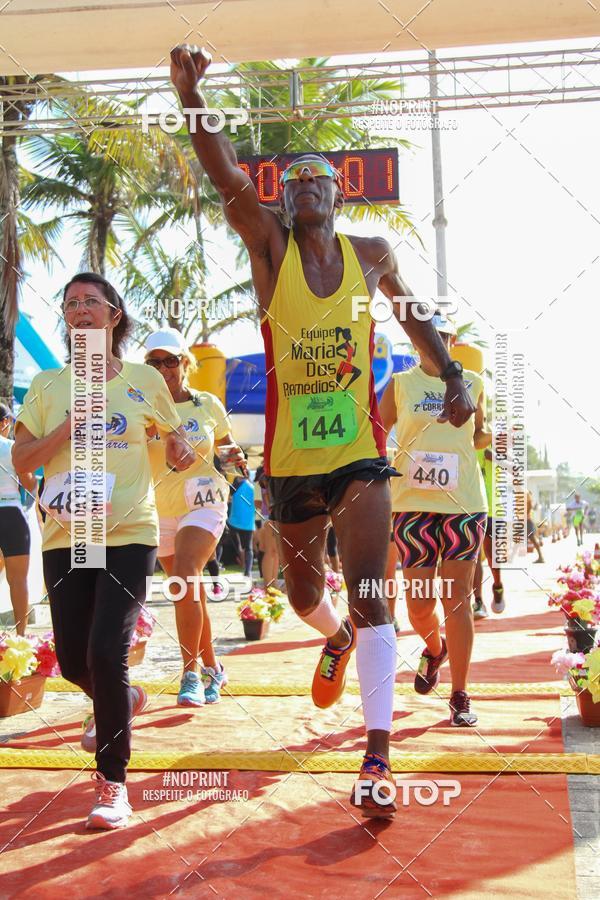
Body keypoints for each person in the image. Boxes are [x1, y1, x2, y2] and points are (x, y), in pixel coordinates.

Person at [170, 44, 476, 817]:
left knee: (375, 588)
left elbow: (413, 318)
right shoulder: (266, 245)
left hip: (360, 456)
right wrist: (193, 96)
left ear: (337, 196)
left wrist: (453, 375)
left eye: (319, 177)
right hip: (289, 460)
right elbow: (225, 174)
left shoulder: (370, 253)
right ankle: (333, 636)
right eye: (295, 177)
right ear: (287, 196)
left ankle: (377, 759)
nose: (306, 184)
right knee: (306, 590)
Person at [12, 273, 195, 830]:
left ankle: (113, 783)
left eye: (93, 302)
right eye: (72, 304)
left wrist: (179, 446)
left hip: (127, 532)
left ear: (114, 315)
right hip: (68, 534)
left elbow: (173, 436)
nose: (82, 310)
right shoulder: (46, 384)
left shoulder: (143, 378)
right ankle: (125, 695)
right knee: (73, 660)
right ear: (66, 319)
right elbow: (22, 461)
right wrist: (68, 427)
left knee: (106, 651)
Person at [380, 312, 489, 727]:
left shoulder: (474, 383)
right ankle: (434, 647)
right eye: (428, 336)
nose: (435, 342)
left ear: (452, 339)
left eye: (442, 336)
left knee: (457, 596)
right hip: (412, 504)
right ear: (414, 339)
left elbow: (477, 433)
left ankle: (460, 694)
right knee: (419, 604)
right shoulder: (401, 384)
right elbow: (377, 427)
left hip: (462, 503)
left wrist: (488, 437)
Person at [145, 328, 245, 706]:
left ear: (185, 363)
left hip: (205, 501)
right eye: (154, 362)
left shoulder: (208, 405)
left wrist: (234, 459)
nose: (163, 368)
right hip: (160, 507)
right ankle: (213, 668)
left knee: (187, 574)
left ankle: (188, 674)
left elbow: (228, 450)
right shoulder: (142, 407)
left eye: (171, 360)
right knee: (186, 590)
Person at [0, 404, 36, 635]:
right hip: (11, 512)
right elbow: (29, 484)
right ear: (4, 423)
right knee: (18, 579)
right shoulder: (13, 448)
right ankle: (20, 636)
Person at [472, 447, 505, 618]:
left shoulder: (487, 443)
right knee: (474, 556)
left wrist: (493, 455)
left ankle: (497, 586)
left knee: (492, 556)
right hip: (470, 508)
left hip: (493, 510)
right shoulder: (460, 439)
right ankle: (478, 601)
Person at [255, 464, 281, 587]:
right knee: (270, 551)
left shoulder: (273, 476)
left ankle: (273, 582)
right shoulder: (266, 478)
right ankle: (268, 583)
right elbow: (265, 499)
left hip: (275, 517)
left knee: (274, 552)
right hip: (269, 517)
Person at [228, 471, 256, 580]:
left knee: (238, 544)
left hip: (234, 521)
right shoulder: (252, 486)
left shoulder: (235, 485)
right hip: (248, 521)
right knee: (248, 547)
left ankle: (241, 556)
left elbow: (228, 495)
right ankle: (247, 571)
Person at [527, 491, 545, 562]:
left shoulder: (528, 498)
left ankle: (541, 557)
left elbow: (530, 507)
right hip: (527, 521)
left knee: (533, 539)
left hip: (528, 521)